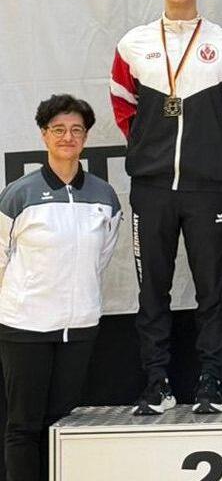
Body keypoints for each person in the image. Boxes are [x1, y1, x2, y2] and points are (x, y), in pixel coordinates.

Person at [110, 0, 222, 415]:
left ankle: (211, 381)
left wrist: (217, 154)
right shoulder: (133, 44)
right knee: (152, 290)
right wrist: (149, 148)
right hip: (151, 187)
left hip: (206, 186)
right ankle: (157, 382)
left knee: (213, 290)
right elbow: (123, 106)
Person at [0, 95, 121, 481]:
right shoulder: (19, 194)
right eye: (58, 129)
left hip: (79, 327)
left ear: (85, 137)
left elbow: (102, 256)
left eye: (76, 130)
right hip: (25, 326)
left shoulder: (105, 196)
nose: (67, 137)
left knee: (63, 427)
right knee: (24, 426)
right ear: (43, 135)